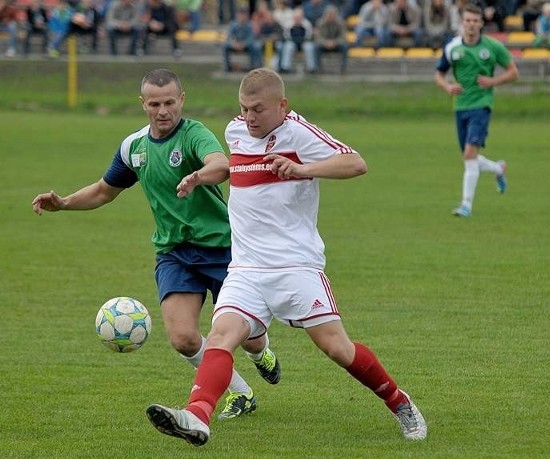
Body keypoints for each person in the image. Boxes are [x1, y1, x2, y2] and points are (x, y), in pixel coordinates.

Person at [145, 67, 428, 446]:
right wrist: (201, 177)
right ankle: (196, 416)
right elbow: (234, 169)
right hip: (246, 268)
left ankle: (399, 402)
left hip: (296, 266)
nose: (249, 117)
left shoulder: (299, 133)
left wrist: (302, 169)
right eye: (244, 108)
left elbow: (356, 163)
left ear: (282, 105)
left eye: (258, 109)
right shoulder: (235, 131)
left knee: (336, 348)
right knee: (220, 337)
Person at [32, 68, 281, 421]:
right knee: (183, 338)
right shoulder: (134, 147)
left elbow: (221, 165)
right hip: (175, 254)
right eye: (154, 104)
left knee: (250, 337)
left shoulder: (194, 134)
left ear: (181, 99)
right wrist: (65, 203)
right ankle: (241, 393)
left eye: (169, 102)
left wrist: (196, 176)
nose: (163, 111)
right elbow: (105, 190)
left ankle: (262, 354)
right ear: (143, 104)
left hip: (223, 249)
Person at [435, 3, 519, 218]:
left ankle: (466, 205)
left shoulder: (492, 47)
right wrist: (448, 87)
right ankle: (498, 169)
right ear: (462, 23)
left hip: (482, 105)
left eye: (475, 21)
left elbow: (513, 72)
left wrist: (493, 81)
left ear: (481, 23)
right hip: (460, 106)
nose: (471, 24)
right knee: (469, 157)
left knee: (470, 155)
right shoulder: (452, 47)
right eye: (467, 21)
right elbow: (439, 75)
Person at [223, 7, 262, 72]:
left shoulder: (250, 25)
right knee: (225, 46)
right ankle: (227, 67)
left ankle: (253, 67)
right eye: (240, 14)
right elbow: (229, 36)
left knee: (255, 46)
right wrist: (234, 43)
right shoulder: (233, 24)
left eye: (243, 15)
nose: (242, 16)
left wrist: (243, 44)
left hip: (246, 45)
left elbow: (251, 37)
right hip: (235, 44)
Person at [314, 4, 349, 73]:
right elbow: (318, 38)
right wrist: (325, 42)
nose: (330, 16)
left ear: (336, 15)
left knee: (345, 46)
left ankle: (343, 68)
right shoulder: (319, 23)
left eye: (332, 14)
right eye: (329, 14)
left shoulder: (341, 23)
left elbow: (343, 37)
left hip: (336, 44)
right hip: (324, 45)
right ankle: (318, 69)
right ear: (325, 15)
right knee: (316, 47)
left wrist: (334, 42)